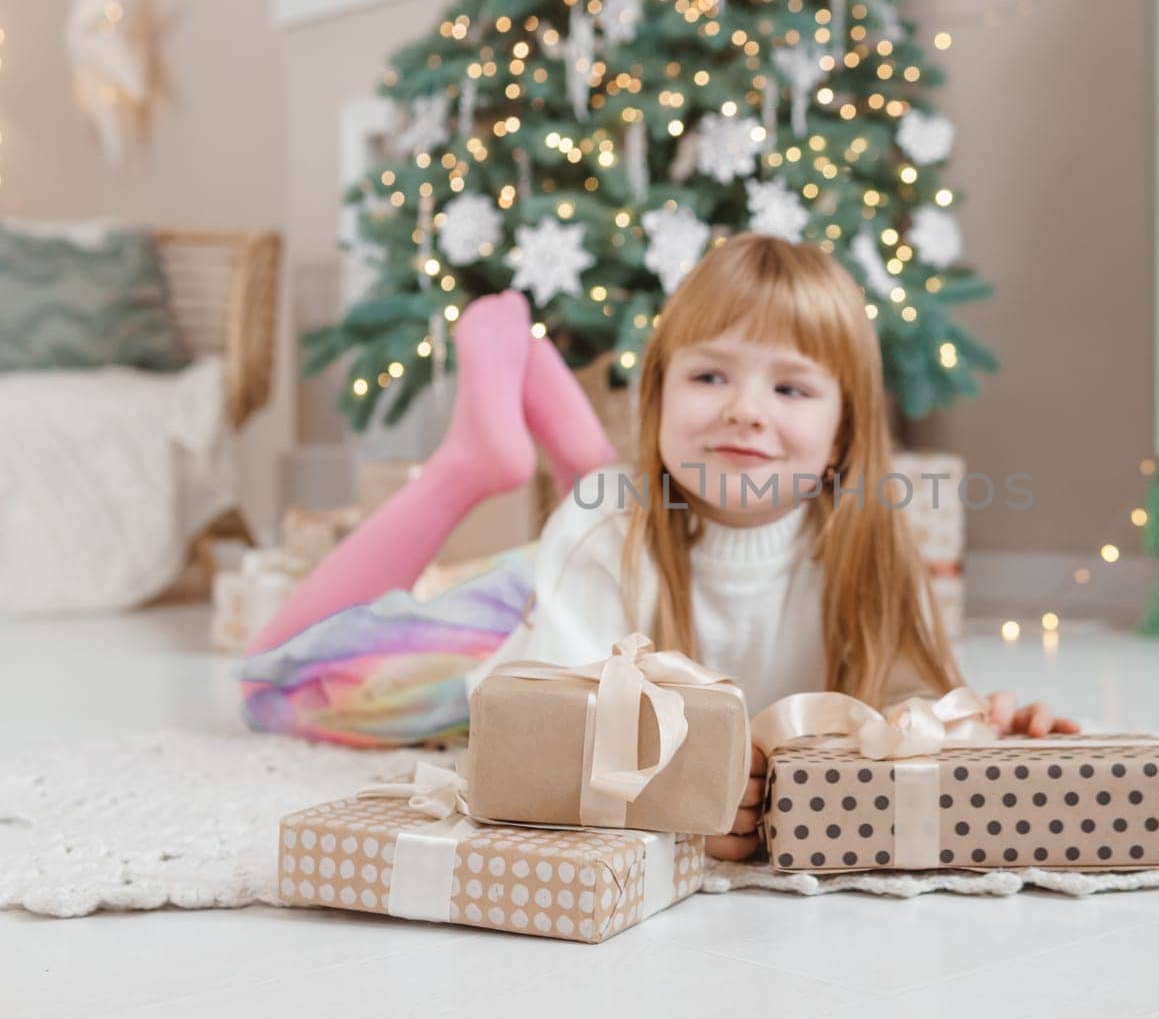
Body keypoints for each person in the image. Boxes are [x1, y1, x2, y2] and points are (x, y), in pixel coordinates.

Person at [241, 232, 1077, 860]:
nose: (747, 408)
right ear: (661, 392)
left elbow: (908, 718)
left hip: (620, 533)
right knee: (277, 682)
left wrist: (986, 735)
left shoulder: (867, 542)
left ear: (844, 433)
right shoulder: (605, 531)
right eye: (709, 377)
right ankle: (474, 462)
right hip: (524, 620)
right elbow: (533, 730)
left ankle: (563, 426)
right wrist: (678, 799)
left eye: (789, 387)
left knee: (615, 501)